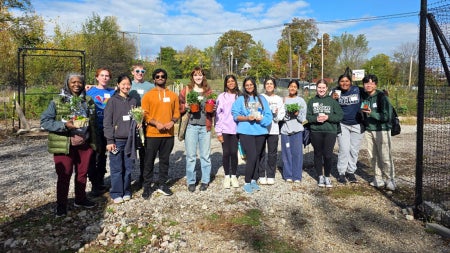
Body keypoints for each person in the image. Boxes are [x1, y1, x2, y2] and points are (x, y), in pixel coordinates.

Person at [41, 73, 97, 217]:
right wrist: (65, 125)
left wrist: (93, 142)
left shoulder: (88, 100)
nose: (76, 84)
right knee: (64, 174)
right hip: (65, 144)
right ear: (67, 83)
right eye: (73, 82)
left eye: (79, 82)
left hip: (84, 144)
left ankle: (80, 198)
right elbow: (45, 121)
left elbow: (93, 122)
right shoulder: (57, 100)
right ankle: (61, 205)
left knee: (82, 173)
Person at [141, 68, 180, 198]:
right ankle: (147, 186)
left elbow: (177, 112)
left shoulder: (173, 95)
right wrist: (155, 123)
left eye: (163, 76)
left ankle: (162, 184)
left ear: (166, 78)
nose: (160, 78)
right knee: (149, 161)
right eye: (157, 76)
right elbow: (144, 114)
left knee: (165, 161)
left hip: (168, 134)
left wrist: (172, 122)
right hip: (152, 134)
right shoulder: (148, 95)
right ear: (154, 79)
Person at [231, 77, 273, 194]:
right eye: (247, 85)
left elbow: (268, 115)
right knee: (252, 156)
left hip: (260, 131)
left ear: (254, 85)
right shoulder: (240, 99)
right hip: (246, 131)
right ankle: (247, 181)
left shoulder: (261, 99)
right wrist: (246, 118)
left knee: (258, 156)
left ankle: (254, 179)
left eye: (251, 84)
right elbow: (235, 115)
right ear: (244, 87)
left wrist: (261, 120)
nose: (249, 87)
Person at [179, 67, 214, 192]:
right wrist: (185, 106)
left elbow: (213, 106)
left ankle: (205, 180)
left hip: (205, 126)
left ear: (203, 76)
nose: (198, 77)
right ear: (192, 77)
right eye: (195, 75)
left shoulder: (208, 91)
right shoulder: (187, 90)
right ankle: (191, 181)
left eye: (200, 75)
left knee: (205, 155)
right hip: (191, 126)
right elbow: (178, 106)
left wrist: (213, 109)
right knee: (191, 156)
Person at [103, 74, 137, 204]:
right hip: (116, 141)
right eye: (123, 84)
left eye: (128, 84)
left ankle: (127, 190)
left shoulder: (133, 101)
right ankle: (116, 192)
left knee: (128, 167)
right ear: (118, 85)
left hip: (130, 140)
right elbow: (107, 122)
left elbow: (135, 118)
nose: (126, 86)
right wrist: (109, 140)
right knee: (117, 168)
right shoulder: (112, 101)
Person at [361, 74, 397, 191]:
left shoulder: (382, 97)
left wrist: (372, 113)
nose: (368, 85)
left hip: (382, 130)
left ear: (375, 84)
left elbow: (387, 116)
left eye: (371, 83)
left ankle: (390, 179)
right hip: (369, 130)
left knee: (385, 156)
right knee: (373, 156)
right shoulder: (365, 97)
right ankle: (378, 178)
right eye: (366, 83)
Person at [306, 79, 343, 188]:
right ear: (316, 88)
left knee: (328, 155)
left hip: (330, 131)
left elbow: (340, 116)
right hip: (316, 131)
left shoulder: (332, 101)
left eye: (323, 87)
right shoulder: (312, 101)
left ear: (327, 89)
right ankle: (320, 176)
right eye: (319, 87)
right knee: (317, 154)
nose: (321, 89)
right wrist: (315, 118)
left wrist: (328, 117)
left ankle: (327, 176)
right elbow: (307, 117)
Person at [331, 71, 365, 184]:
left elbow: (369, 94)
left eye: (346, 81)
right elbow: (330, 105)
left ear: (350, 82)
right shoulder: (336, 92)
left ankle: (351, 172)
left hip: (357, 124)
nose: (344, 83)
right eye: (342, 81)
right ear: (339, 82)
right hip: (343, 124)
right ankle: (341, 172)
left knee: (354, 150)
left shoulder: (357, 90)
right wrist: (332, 98)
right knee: (344, 149)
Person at [86, 67, 115, 196]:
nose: (104, 78)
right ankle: (94, 183)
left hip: (107, 129)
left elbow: (125, 86)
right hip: (94, 129)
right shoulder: (89, 91)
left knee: (103, 156)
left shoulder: (113, 92)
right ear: (97, 77)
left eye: (107, 76)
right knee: (94, 156)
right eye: (102, 75)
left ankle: (101, 181)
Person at [129, 63, 155, 188]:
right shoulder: (128, 85)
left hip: (145, 123)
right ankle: (126, 178)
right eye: (137, 71)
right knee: (130, 150)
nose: (140, 73)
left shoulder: (150, 86)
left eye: (142, 71)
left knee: (145, 151)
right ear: (132, 72)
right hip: (129, 122)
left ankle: (144, 178)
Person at [215, 75, 241, 189]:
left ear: (235, 82)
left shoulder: (240, 96)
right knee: (226, 153)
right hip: (225, 129)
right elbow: (218, 115)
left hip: (237, 130)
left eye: (232, 81)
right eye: (228, 81)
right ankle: (226, 176)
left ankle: (234, 176)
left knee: (234, 153)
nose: (231, 83)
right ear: (226, 84)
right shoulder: (221, 97)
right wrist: (218, 131)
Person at [259, 77, 285, 185]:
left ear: (274, 86)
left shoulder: (279, 99)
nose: (269, 85)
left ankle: (270, 175)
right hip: (261, 129)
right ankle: (261, 174)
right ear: (264, 85)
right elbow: (256, 110)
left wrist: (276, 115)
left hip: (273, 129)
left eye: (271, 84)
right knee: (260, 153)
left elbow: (282, 114)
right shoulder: (260, 97)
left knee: (272, 153)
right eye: (267, 83)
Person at [280, 79, 307, 183]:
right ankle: (288, 175)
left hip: (297, 130)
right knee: (286, 154)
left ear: (297, 89)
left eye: (295, 87)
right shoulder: (283, 100)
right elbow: (281, 117)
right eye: (291, 86)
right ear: (288, 87)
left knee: (297, 154)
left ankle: (297, 176)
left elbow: (303, 118)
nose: (292, 88)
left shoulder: (301, 101)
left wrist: (297, 114)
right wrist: (286, 114)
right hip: (285, 131)